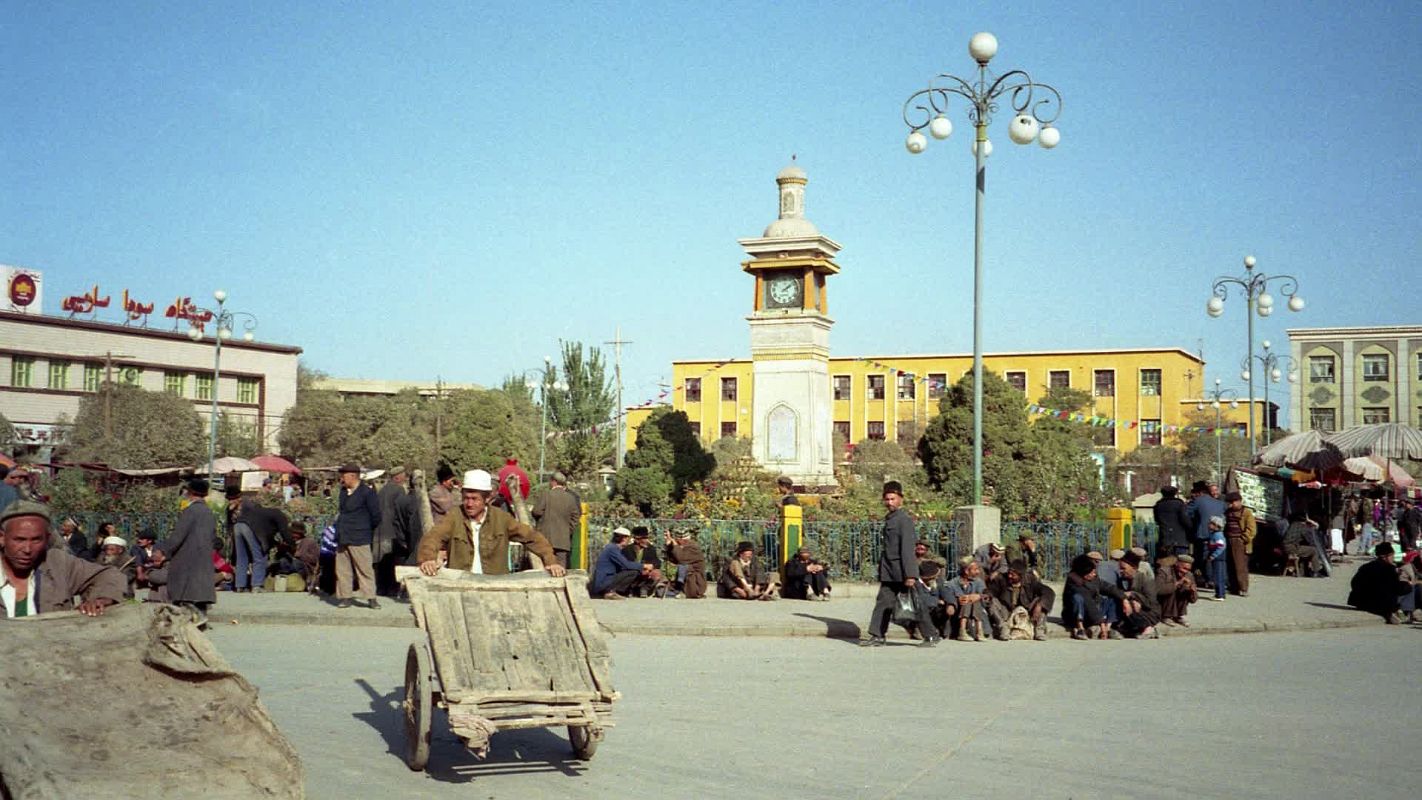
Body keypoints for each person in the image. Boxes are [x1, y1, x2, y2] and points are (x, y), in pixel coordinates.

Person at [416, 469, 565, 579]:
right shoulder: (455, 516)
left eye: (475, 499)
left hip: (495, 586)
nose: (469, 503)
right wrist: (427, 559)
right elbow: (433, 537)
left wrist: (551, 561)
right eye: (466, 498)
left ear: (487, 499)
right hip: (461, 584)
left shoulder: (501, 519)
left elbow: (532, 537)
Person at [1, 501, 126, 617]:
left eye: (36, 540)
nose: (27, 549)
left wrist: (100, 599)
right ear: (2, 538)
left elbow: (109, 575)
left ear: (47, 539)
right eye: (19, 540)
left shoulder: (58, 563)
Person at [862, 481, 934, 648]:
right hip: (890, 571)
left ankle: (930, 635)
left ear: (901, 499)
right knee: (883, 602)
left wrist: (910, 574)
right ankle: (877, 635)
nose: (889, 502)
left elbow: (907, 549)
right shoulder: (891, 519)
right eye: (887, 499)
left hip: (901, 571)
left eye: (893, 499)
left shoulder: (904, 520)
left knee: (916, 603)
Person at [166, 478, 219, 622]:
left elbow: (178, 535)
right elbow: (214, 536)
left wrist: (166, 552)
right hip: (204, 556)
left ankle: (191, 616)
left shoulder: (190, 511)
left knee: (184, 589)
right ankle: (200, 615)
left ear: (190, 493)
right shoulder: (208, 512)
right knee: (200, 589)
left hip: (186, 556)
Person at [334, 464, 382, 609]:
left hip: (360, 535)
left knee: (364, 568)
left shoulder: (367, 492)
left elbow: (376, 516)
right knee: (342, 569)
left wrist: (365, 528)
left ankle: (371, 597)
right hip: (343, 535)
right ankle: (345, 597)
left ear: (353, 476)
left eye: (344, 475)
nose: (341, 478)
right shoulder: (343, 492)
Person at [987, 558, 1053, 641]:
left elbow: (1048, 591)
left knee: (1042, 600)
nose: (1009, 576)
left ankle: (1039, 630)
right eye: (1009, 573)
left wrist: (1040, 605)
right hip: (1007, 611)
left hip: (1027, 612)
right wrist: (988, 595)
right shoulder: (1002, 579)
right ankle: (1003, 628)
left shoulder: (1030, 580)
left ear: (1020, 575)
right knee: (993, 601)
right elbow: (990, 590)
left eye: (1013, 575)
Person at [1061, 553, 1122, 640]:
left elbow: (1108, 587)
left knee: (1112, 598)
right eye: (1092, 572)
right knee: (1077, 598)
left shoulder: (1094, 579)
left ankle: (1108, 629)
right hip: (1076, 613)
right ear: (1085, 574)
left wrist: (1124, 597)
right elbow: (1088, 602)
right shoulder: (1074, 580)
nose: (1094, 574)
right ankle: (1080, 628)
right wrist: (1101, 624)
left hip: (1093, 611)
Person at [375, 466, 415, 596]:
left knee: (380, 562)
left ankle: (380, 588)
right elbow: (400, 512)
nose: (405, 478)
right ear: (397, 477)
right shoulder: (399, 490)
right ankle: (392, 589)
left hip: (378, 531)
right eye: (403, 475)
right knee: (392, 561)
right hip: (392, 532)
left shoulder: (382, 490)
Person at [1348, 543, 1409, 624]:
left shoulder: (1365, 567)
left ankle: (1397, 613)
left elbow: (1354, 583)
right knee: (1410, 588)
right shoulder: (1389, 569)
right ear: (1386, 556)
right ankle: (1400, 612)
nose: (1393, 558)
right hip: (1380, 604)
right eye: (1392, 555)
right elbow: (1397, 588)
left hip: (1360, 602)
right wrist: (1406, 584)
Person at [532, 470, 582, 568]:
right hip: (563, 541)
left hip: (545, 538)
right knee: (560, 568)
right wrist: (568, 530)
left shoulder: (546, 495)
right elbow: (576, 517)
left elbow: (536, 511)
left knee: (546, 568)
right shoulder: (570, 498)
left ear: (553, 482)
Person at [591, 528, 658, 599]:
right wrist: (644, 566)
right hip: (603, 582)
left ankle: (612, 591)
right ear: (623, 539)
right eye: (627, 538)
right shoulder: (612, 549)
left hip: (605, 580)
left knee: (634, 571)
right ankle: (609, 592)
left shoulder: (612, 548)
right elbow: (626, 565)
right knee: (633, 572)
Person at [1186, 481, 1226, 587]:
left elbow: (1186, 513)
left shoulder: (1198, 501)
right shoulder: (1220, 503)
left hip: (1203, 533)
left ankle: (1210, 579)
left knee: (1205, 558)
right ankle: (1219, 580)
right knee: (1217, 557)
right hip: (1218, 533)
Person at [229, 490, 268, 593]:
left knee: (241, 557)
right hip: (248, 527)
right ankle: (257, 585)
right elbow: (257, 518)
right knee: (258, 555)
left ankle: (239, 585)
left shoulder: (230, 507)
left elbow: (229, 523)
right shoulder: (248, 503)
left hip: (236, 528)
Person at [945, 559, 990, 642]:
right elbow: (947, 596)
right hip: (959, 615)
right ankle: (962, 631)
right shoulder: (953, 583)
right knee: (966, 600)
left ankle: (979, 631)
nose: (978, 572)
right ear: (966, 571)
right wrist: (957, 599)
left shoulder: (979, 582)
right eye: (975, 569)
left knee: (975, 600)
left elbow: (987, 595)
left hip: (976, 613)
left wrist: (979, 596)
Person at [1223, 491, 1254, 597]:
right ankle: (1233, 587)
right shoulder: (1228, 512)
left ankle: (1243, 588)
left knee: (1240, 566)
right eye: (1230, 502)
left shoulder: (1246, 512)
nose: (1231, 504)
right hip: (1228, 539)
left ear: (1239, 501)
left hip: (1239, 541)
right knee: (1230, 565)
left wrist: (1243, 538)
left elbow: (1251, 529)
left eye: (1233, 502)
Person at [1155, 554, 1199, 626]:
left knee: (1185, 590)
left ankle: (1178, 615)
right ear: (1176, 564)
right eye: (1184, 568)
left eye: (1188, 569)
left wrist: (1192, 591)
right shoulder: (1163, 571)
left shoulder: (1189, 575)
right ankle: (1166, 616)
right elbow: (1159, 590)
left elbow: (1193, 600)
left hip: (1177, 604)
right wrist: (1178, 584)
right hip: (1161, 604)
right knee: (1171, 589)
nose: (1185, 572)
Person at [663, 529, 707, 599]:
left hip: (694, 581)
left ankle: (681, 589)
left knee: (682, 566)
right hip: (684, 577)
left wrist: (675, 544)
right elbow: (671, 559)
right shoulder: (680, 547)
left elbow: (681, 559)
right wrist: (669, 545)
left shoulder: (693, 547)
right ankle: (675, 589)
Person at [621, 527, 664, 596]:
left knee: (656, 573)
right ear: (636, 539)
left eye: (647, 538)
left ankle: (645, 588)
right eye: (643, 538)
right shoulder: (627, 550)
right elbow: (625, 564)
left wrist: (651, 567)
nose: (646, 540)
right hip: (632, 572)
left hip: (647, 572)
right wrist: (640, 568)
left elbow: (657, 561)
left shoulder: (650, 549)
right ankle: (630, 589)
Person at [1153, 485, 1192, 559]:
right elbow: (1185, 520)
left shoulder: (1158, 505)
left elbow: (1157, 520)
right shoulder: (1179, 504)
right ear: (1174, 493)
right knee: (1180, 562)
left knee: (1166, 564)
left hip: (1165, 540)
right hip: (1180, 540)